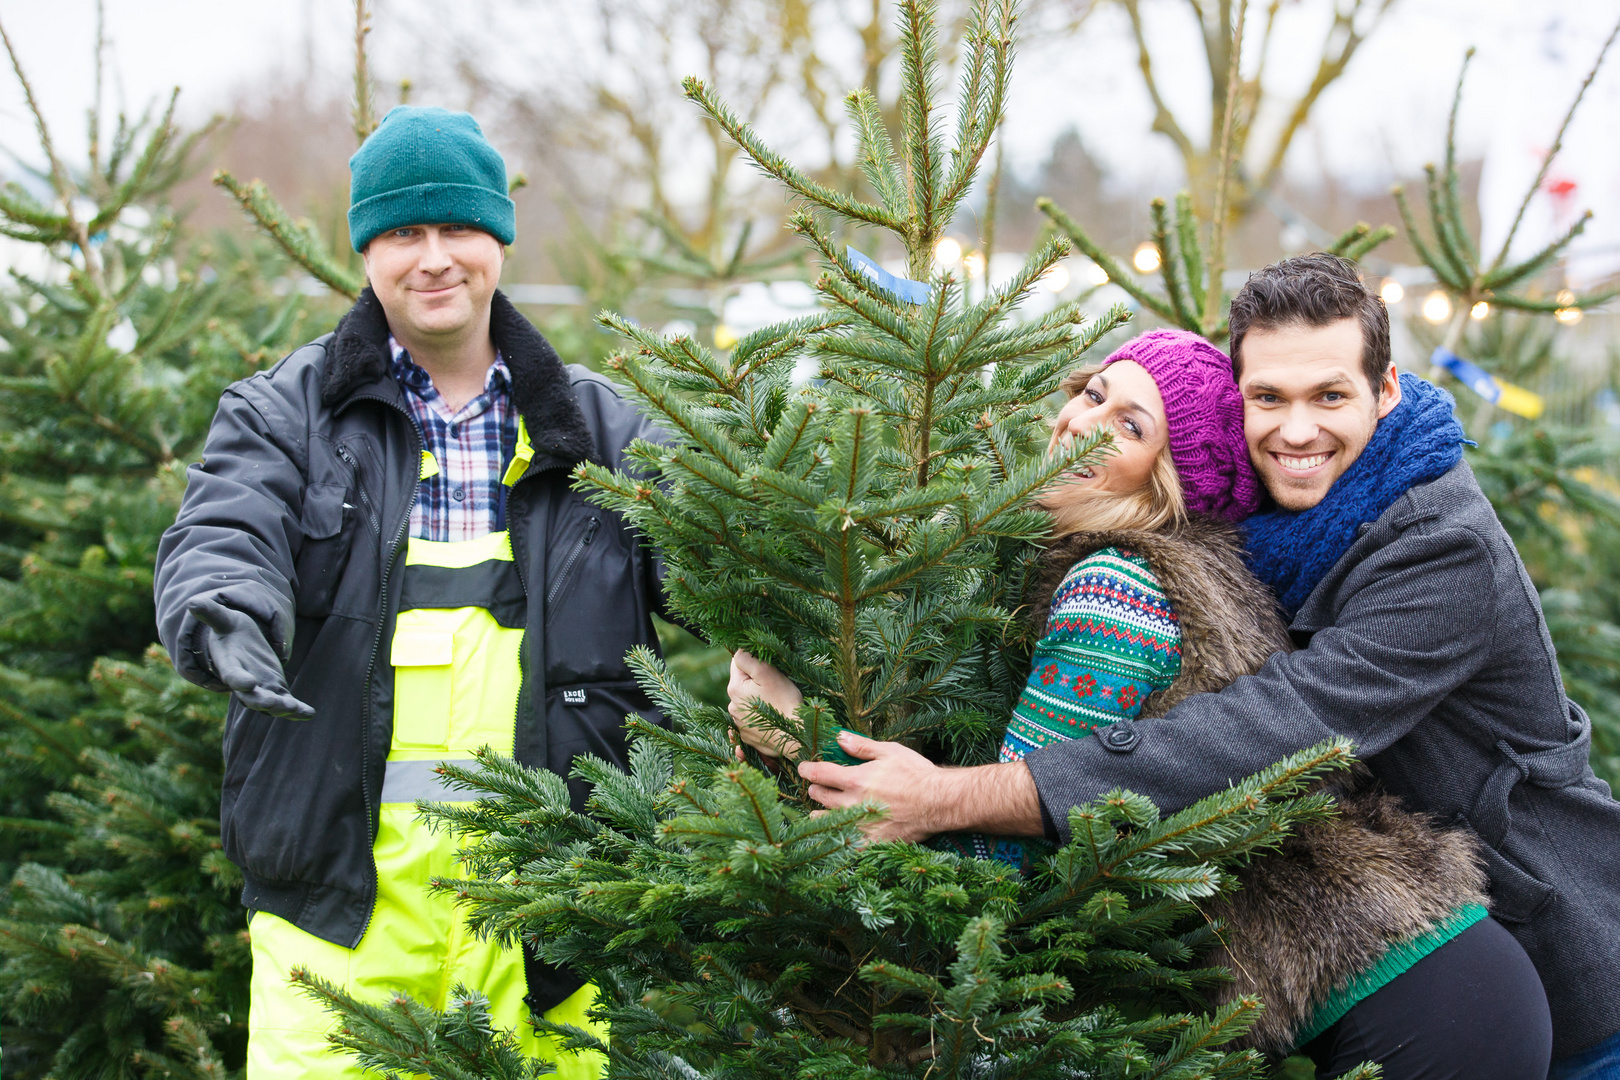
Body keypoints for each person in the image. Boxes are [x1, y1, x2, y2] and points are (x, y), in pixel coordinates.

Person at [734, 254, 1620, 1076]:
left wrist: (949, 795)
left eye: (1330, 395)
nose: (1297, 429)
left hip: (1549, 952)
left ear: (1386, 391)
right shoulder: (1254, 536)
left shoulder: (1440, 550)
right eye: (1268, 398)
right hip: (1368, 951)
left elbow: (1281, 726)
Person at [154, 106, 669, 1078]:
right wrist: (225, 610)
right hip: (337, 916)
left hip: (554, 920)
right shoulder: (284, 415)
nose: (432, 258)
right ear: (366, 251)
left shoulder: (608, 432)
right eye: (401, 233)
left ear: (497, 242)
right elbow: (224, 529)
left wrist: (765, 653)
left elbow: (729, 548)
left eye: (455, 230)